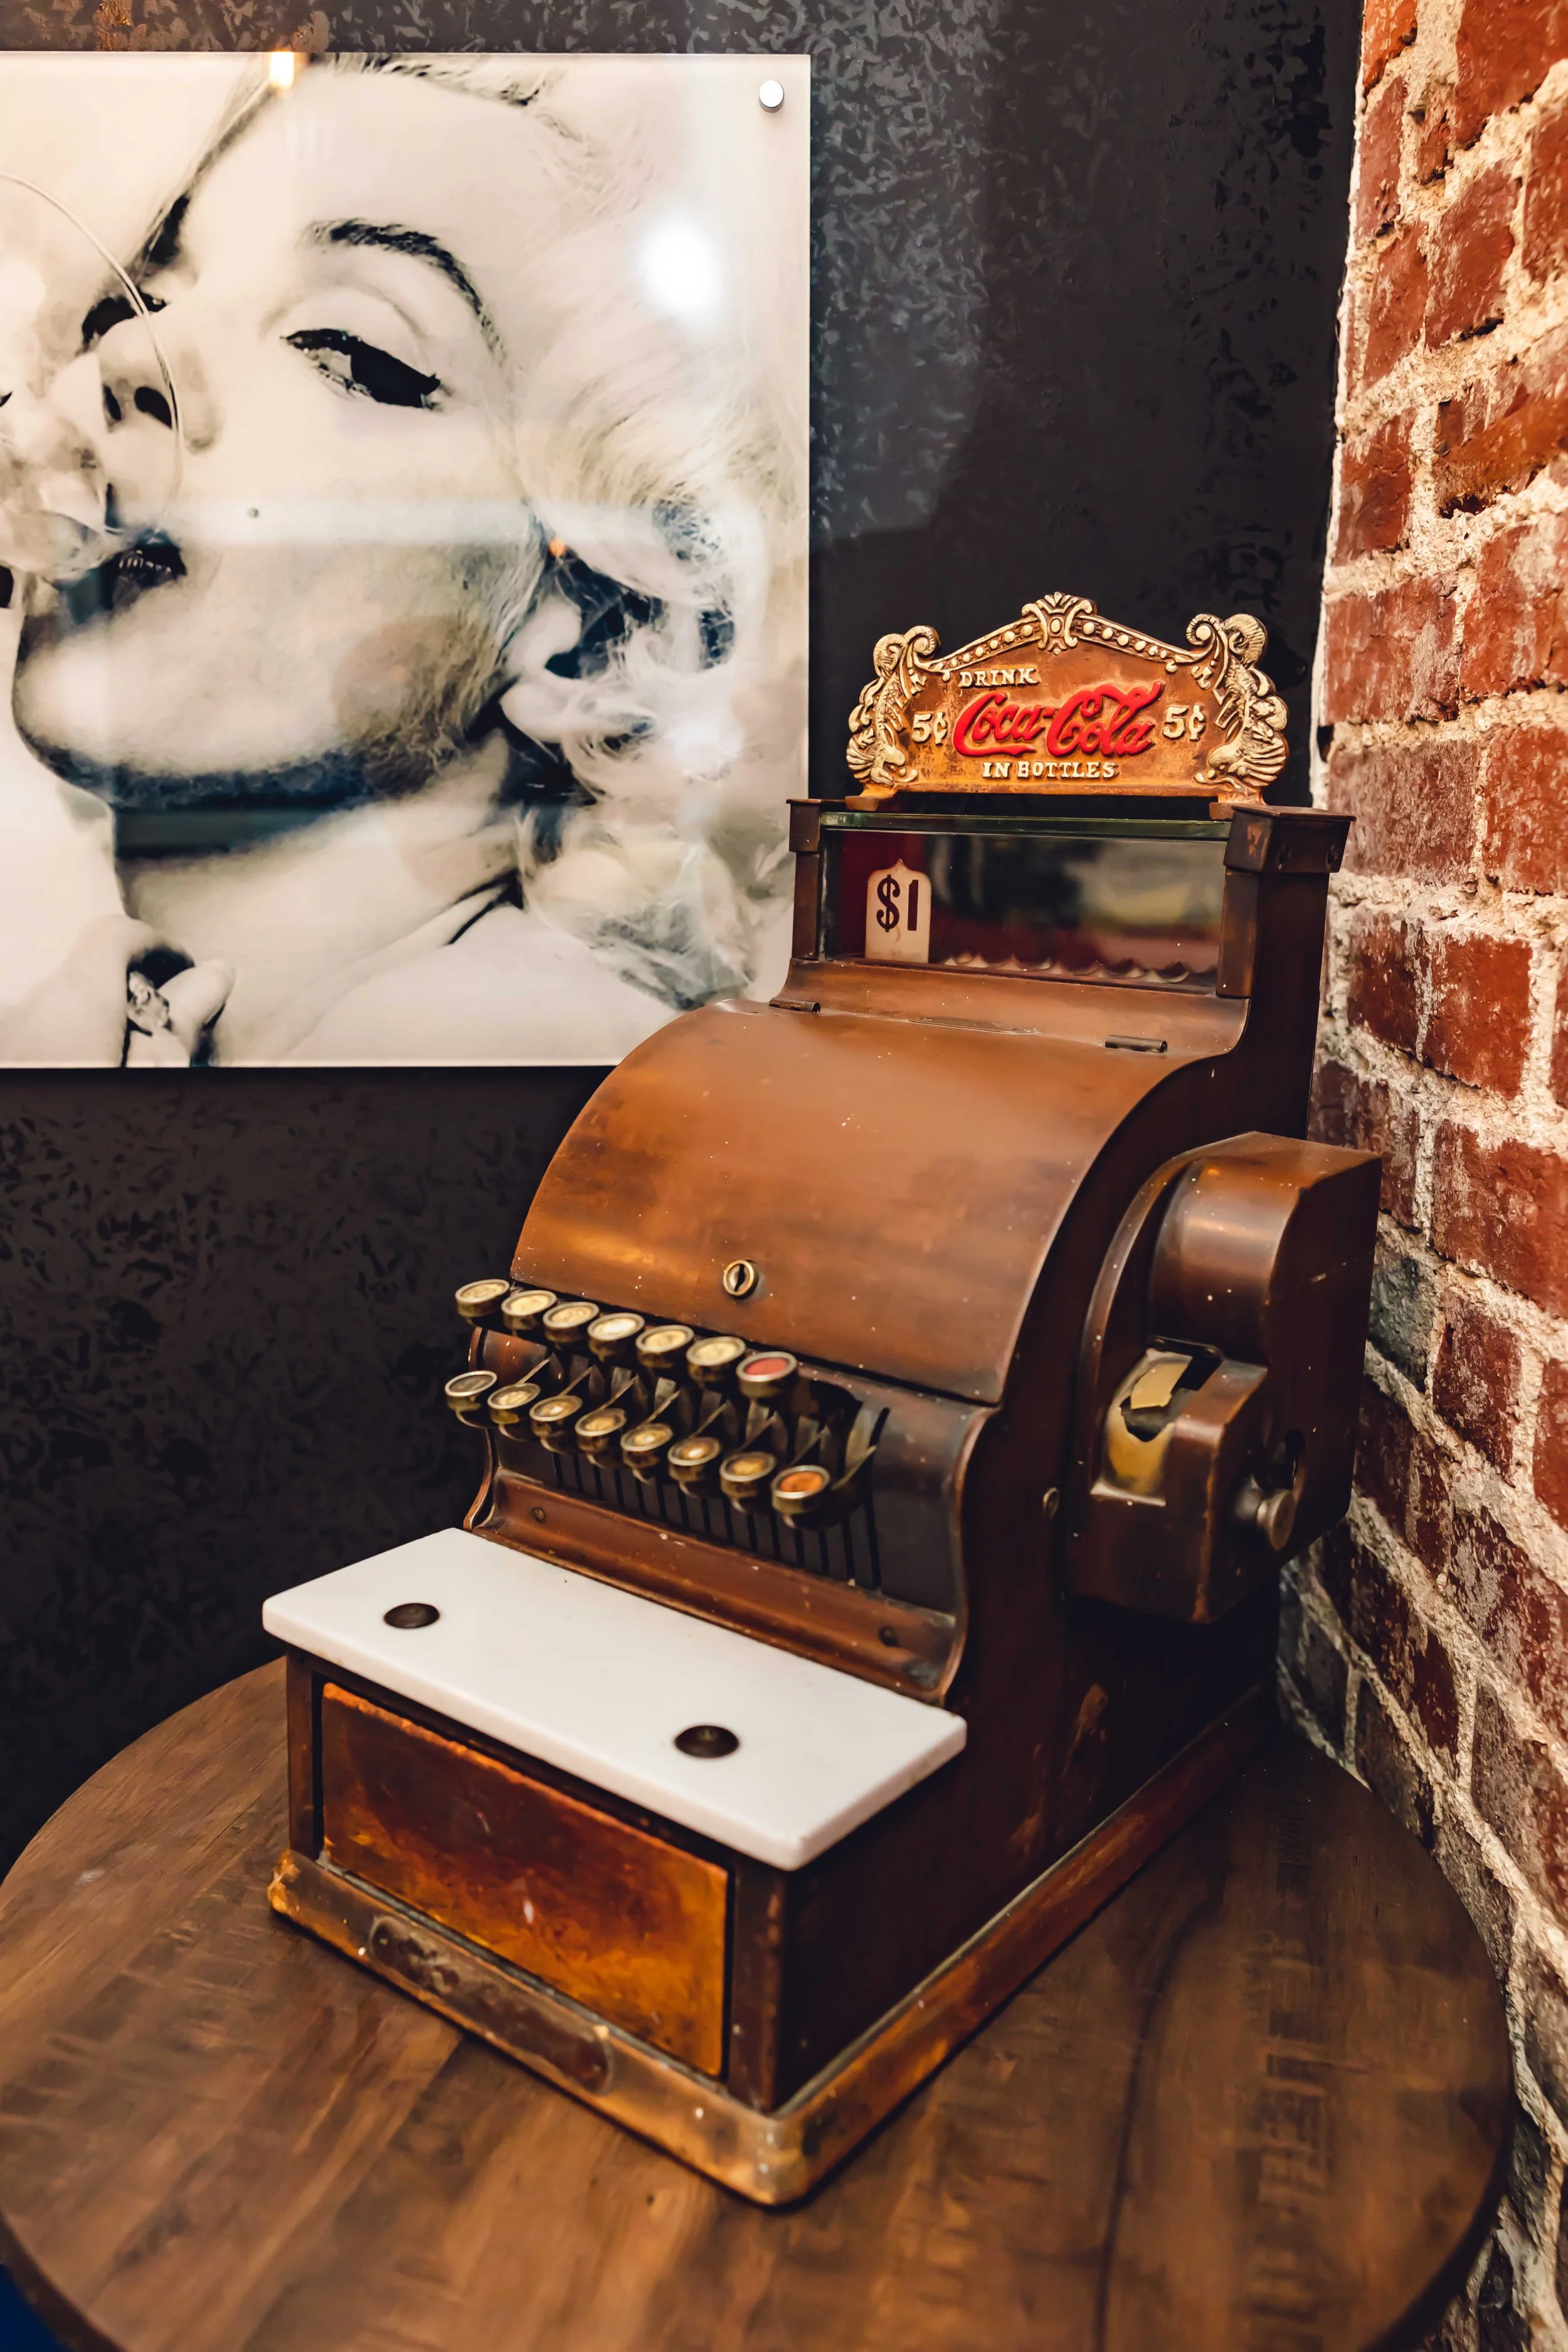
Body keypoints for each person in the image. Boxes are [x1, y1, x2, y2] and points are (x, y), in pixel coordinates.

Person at [0, 55, 804, 1064]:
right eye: (137, 304)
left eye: (348, 350)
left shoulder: (509, 1038)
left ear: (592, 641)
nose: (127, 358)